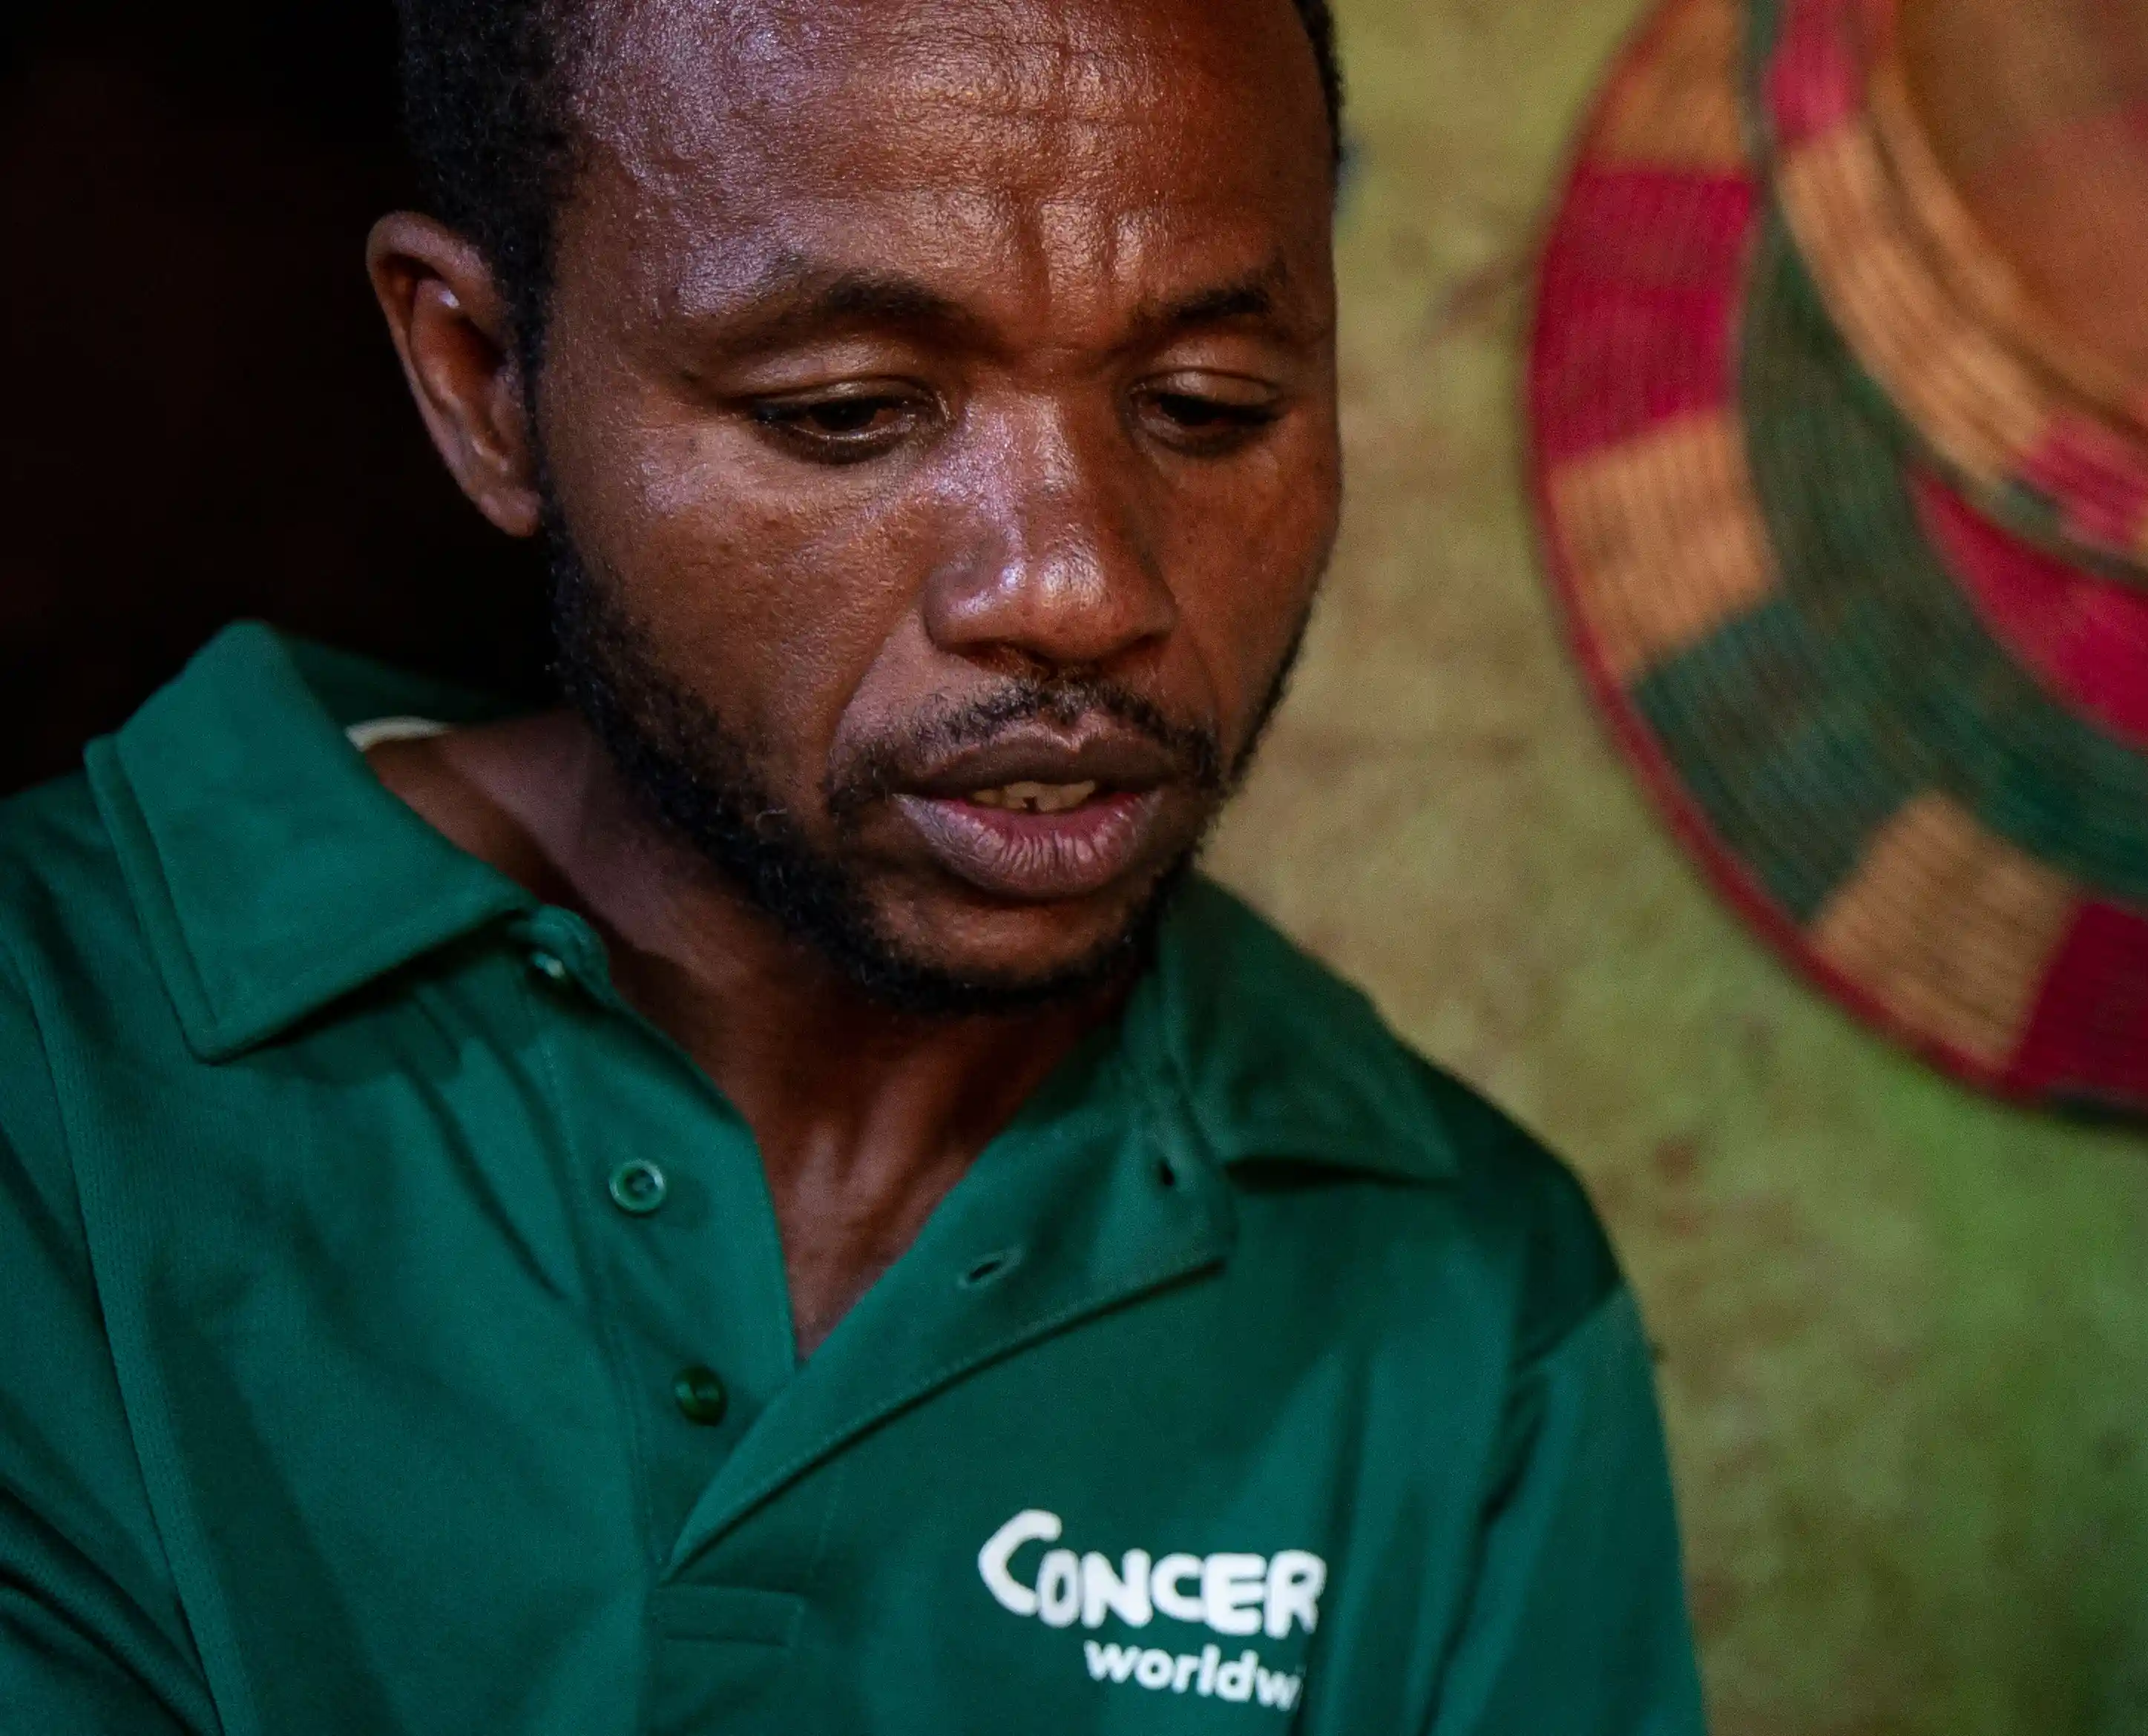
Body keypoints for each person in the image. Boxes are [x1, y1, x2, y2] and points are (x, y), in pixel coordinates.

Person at [0, 0, 1706, 1728]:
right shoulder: (54, 1067)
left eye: (1205, 406)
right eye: (851, 410)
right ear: (484, 383)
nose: (1077, 587)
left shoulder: (1462, 1305)